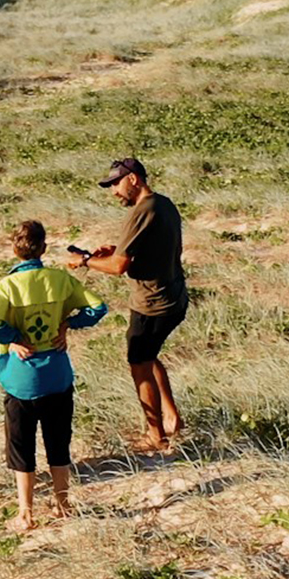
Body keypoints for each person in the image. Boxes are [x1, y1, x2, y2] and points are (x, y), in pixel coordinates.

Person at [0, 219, 107, 531]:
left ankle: (25, 511)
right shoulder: (60, 280)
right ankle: (62, 503)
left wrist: (12, 338)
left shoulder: (7, 286)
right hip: (56, 374)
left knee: (21, 445)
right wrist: (68, 324)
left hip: (20, 379)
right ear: (44, 247)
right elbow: (97, 308)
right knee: (58, 439)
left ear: (14, 250)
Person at [68, 157, 187, 450]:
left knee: (139, 364)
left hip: (151, 303)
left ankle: (155, 435)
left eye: (116, 184)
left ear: (133, 179)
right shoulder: (163, 204)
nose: (113, 192)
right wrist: (116, 249)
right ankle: (172, 418)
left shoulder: (140, 212)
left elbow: (119, 266)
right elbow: (148, 246)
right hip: (174, 297)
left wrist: (85, 261)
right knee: (150, 355)